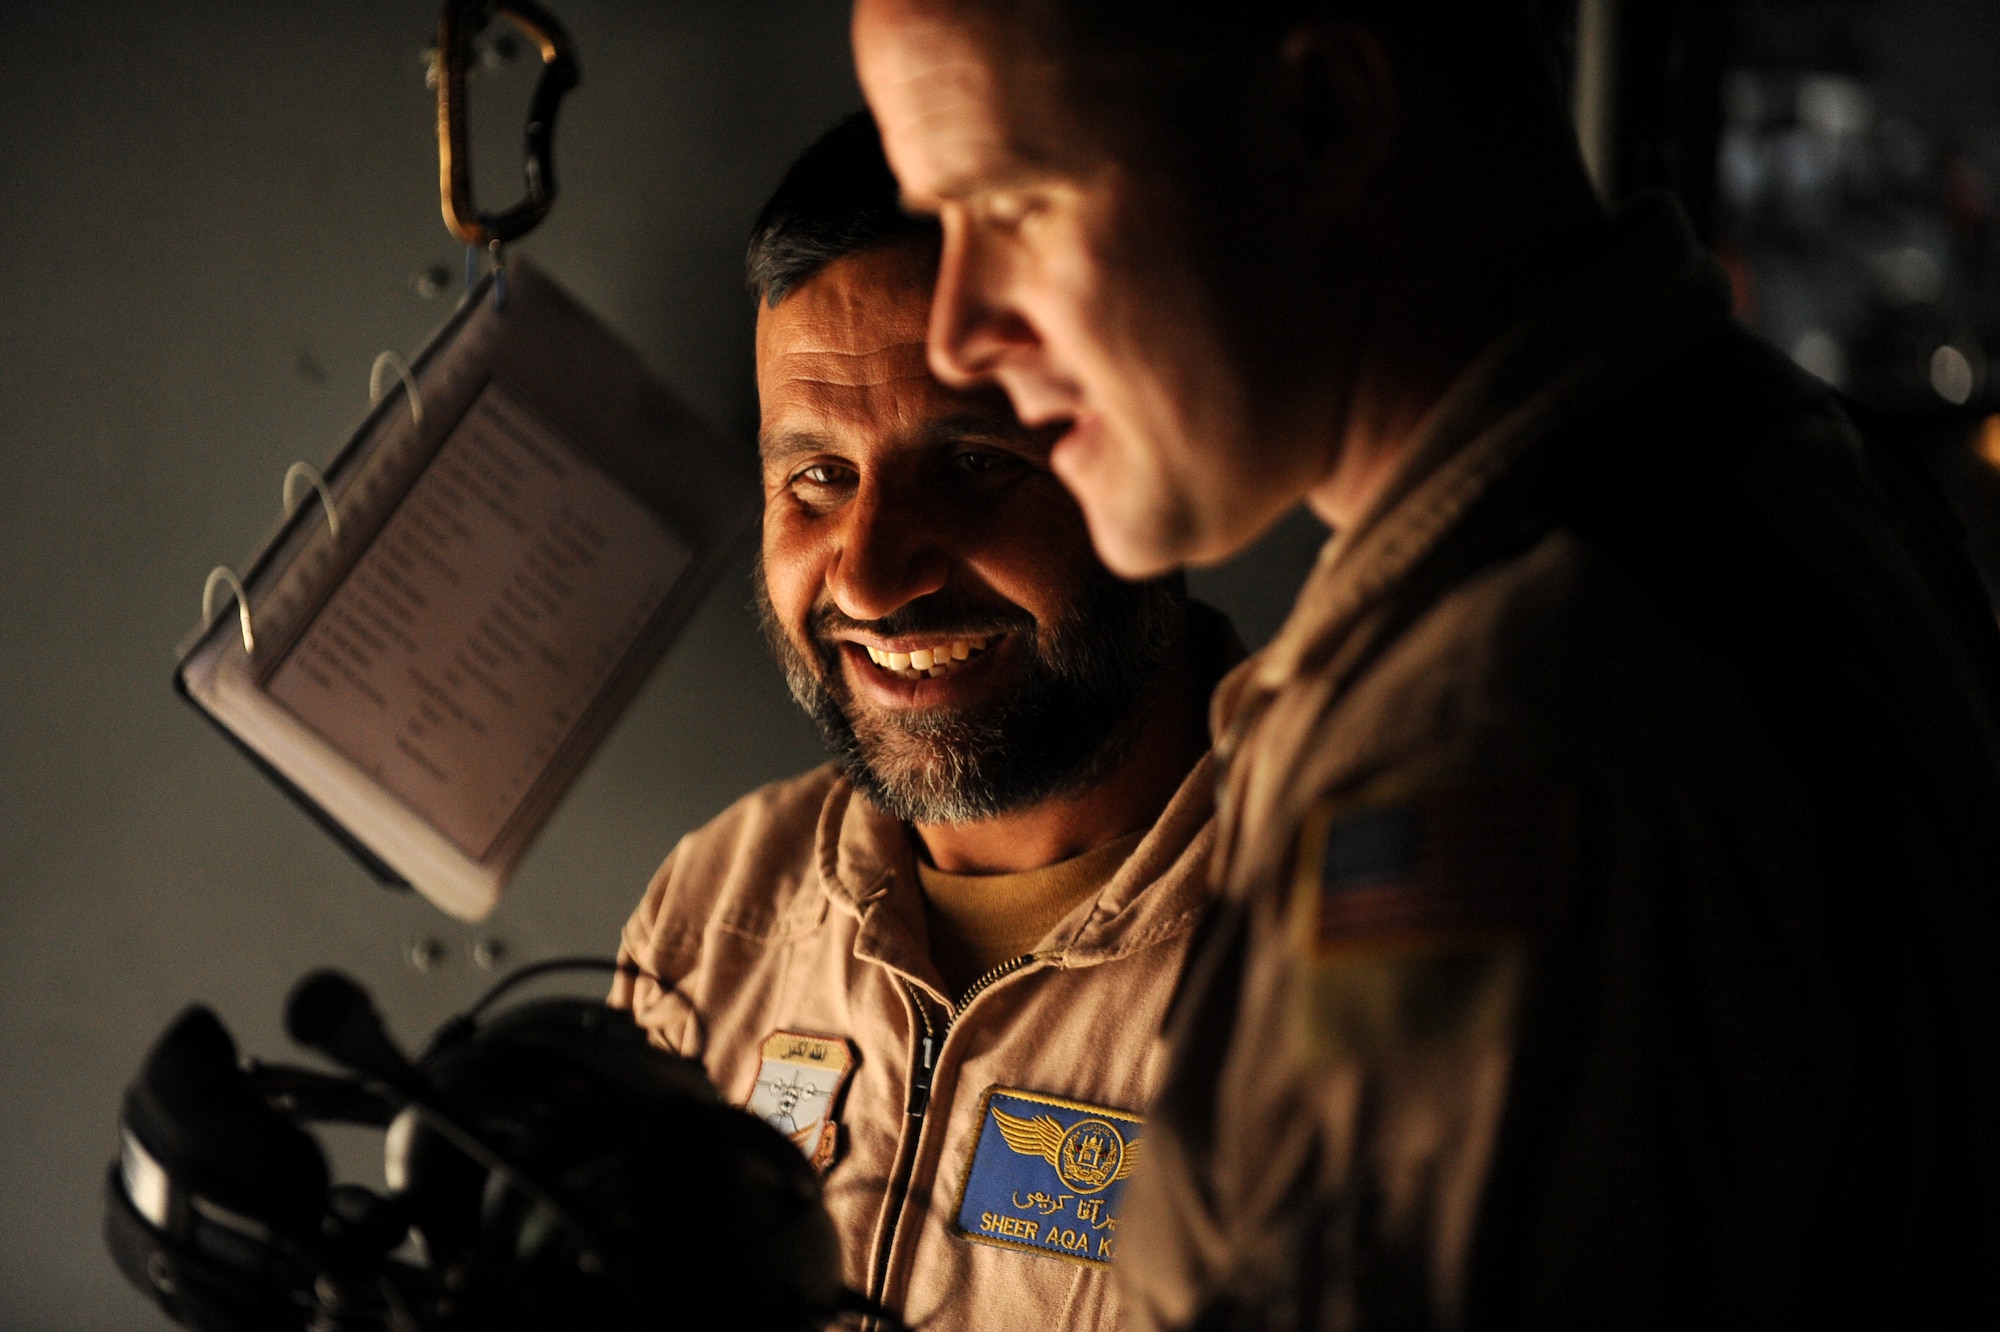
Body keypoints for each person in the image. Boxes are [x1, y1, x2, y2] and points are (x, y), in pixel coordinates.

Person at [853, 2, 2000, 1328]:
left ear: (1320, 120)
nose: (959, 331)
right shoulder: (1775, 474)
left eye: (1011, 204)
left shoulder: (1511, 713)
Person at [611, 112, 1240, 1331]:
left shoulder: (1333, 951)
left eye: (973, 464)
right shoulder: (714, 918)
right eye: (817, 479)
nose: (868, 576)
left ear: (1154, 462)